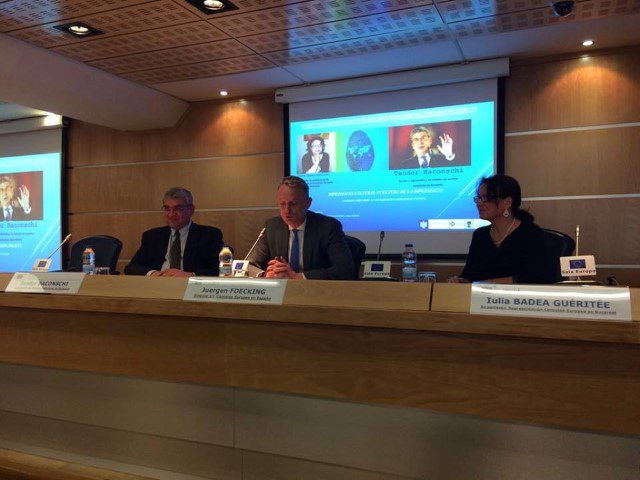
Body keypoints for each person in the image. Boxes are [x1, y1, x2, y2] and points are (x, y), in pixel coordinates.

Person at [449, 175, 554, 284]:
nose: (479, 203)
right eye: (479, 198)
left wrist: (489, 284)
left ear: (507, 202)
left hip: (517, 295)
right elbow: (470, 276)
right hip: (481, 294)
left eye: (487, 198)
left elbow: (538, 277)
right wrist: (460, 281)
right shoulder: (480, 235)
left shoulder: (530, 233)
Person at [247, 176, 354, 280]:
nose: (287, 210)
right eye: (282, 204)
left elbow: (345, 269)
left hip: (316, 289)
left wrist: (297, 277)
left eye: (293, 204)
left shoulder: (328, 227)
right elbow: (248, 265)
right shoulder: (272, 227)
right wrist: (265, 275)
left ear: (308, 203)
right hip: (281, 290)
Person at [124, 187, 224, 277]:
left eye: (178, 208)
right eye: (167, 208)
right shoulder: (152, 236)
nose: (171, 214)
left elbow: (221, 269)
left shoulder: (209, 235)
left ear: (191, 209)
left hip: (190, 287)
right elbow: (131, 267)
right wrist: (153, 273)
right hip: (158, 285)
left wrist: (191, 275)